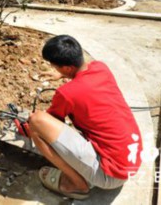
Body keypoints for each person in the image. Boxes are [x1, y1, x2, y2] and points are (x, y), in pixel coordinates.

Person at [28, 35, 142, 200]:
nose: (54, 69)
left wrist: (28, 127)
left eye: (55, 66)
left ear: (67, 68)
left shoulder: (66, 93)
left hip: (110, 175)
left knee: (36, 122)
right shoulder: (101, 68)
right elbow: (82, 74)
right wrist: (64, 75)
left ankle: (77, 185)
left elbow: (51, 122)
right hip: (131, 159)